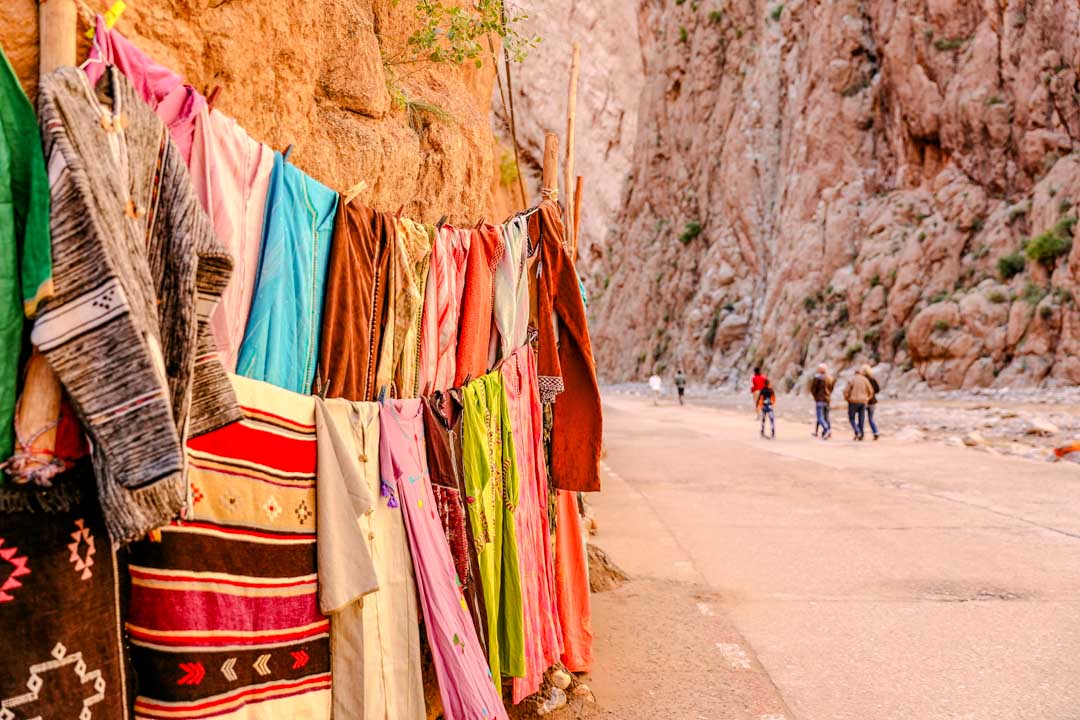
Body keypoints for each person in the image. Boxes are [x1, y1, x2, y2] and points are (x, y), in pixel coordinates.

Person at [843, 367, 874, 441]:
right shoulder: (865, 380)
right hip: (863, 402)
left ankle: (857, 431)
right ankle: (861, 435)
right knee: (861, 419)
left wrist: (848, 399)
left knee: (851, 418)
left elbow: (846, 391)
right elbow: (871, 391)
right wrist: (867, 399)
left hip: (853, 402)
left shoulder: (852, 379)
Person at [809, 363, 834, 440]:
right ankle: (828, 431)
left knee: (820, 417)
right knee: (826, 417)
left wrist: (816, 397)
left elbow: (813, 389)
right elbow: (831, 388)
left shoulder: (817, 378)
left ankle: (826, 430)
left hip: (820, 400)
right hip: (827, 399)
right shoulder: (830, 378)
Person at [864, 364, 881, 440]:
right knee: (871, 418)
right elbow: (878, 390)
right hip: (872, 402)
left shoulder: (863, 379)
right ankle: (875, 432)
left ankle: (859, 432)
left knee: (861, 418)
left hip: (864, 401)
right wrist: (872, 393)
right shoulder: (872, 379)